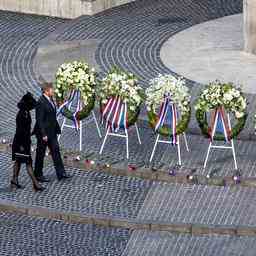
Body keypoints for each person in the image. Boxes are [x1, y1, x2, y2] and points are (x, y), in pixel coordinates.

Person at [33, 82, 71, 182]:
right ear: (46, 91)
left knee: (56, 150)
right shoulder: (41, 102)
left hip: (52, 132)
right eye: (51, 89)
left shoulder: (50, 100)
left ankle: (61, 173)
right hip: (44, 133)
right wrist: (43, 134)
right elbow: (39, 120)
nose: (53, 91)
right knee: (40, 153)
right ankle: (38, 174)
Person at [11, 92, 45, 192]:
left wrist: (32, 132)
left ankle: (14, 180)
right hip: (21, 143)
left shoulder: (26, 112)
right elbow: (20, 130)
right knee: (28, 163)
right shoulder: (21, 114)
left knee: (18, 161)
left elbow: (26, 129)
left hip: (23, 142)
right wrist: (22, 145)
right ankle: (36, 184)